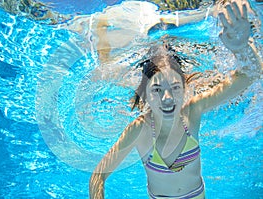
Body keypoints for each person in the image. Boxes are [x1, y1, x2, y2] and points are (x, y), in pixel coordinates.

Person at [89, 1, 262, 199]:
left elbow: (251, 74)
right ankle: (101, 32)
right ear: (145, 93)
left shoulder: (192, 111)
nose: (168, 98)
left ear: (184, 88)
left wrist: (242, 49)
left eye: (175, 88)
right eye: (157, 90)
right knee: (105, 72)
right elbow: (98, 176)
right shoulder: (139, 129)